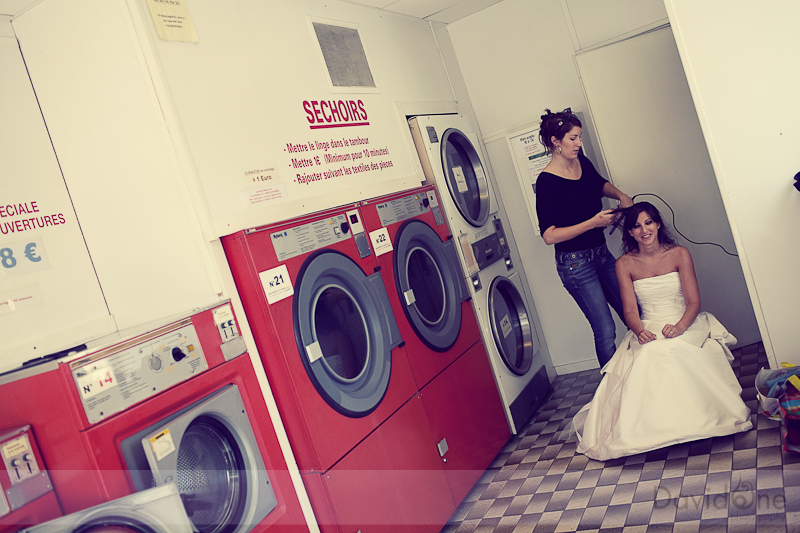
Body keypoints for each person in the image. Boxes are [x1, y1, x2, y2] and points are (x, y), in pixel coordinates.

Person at [572, 202, 752, 461]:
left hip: (684, 320)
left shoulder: (679, 254)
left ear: (657, 224)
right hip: (649, 325)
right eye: (636, 226)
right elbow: (630, 311)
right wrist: (638, 330)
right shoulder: (624, 263)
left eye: (648, 223)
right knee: (649, 355)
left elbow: (693, 302)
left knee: (677, 348)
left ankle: (701, 422)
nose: (644, 230)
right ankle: (655, 430)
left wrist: (680, 327)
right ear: (630, 233)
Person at [535, 108, 633, 366]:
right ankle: (613, 392)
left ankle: (644, 377)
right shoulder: (546, 182)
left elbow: (599, 184)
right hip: (575, 265)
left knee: (632, 313)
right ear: (556, 142)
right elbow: (549, 235)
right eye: (573, 138)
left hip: (601, 254)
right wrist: (593, 223)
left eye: (580, 137)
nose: (579, 143)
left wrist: (620, 195)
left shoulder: (582, 162)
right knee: (605, 330)